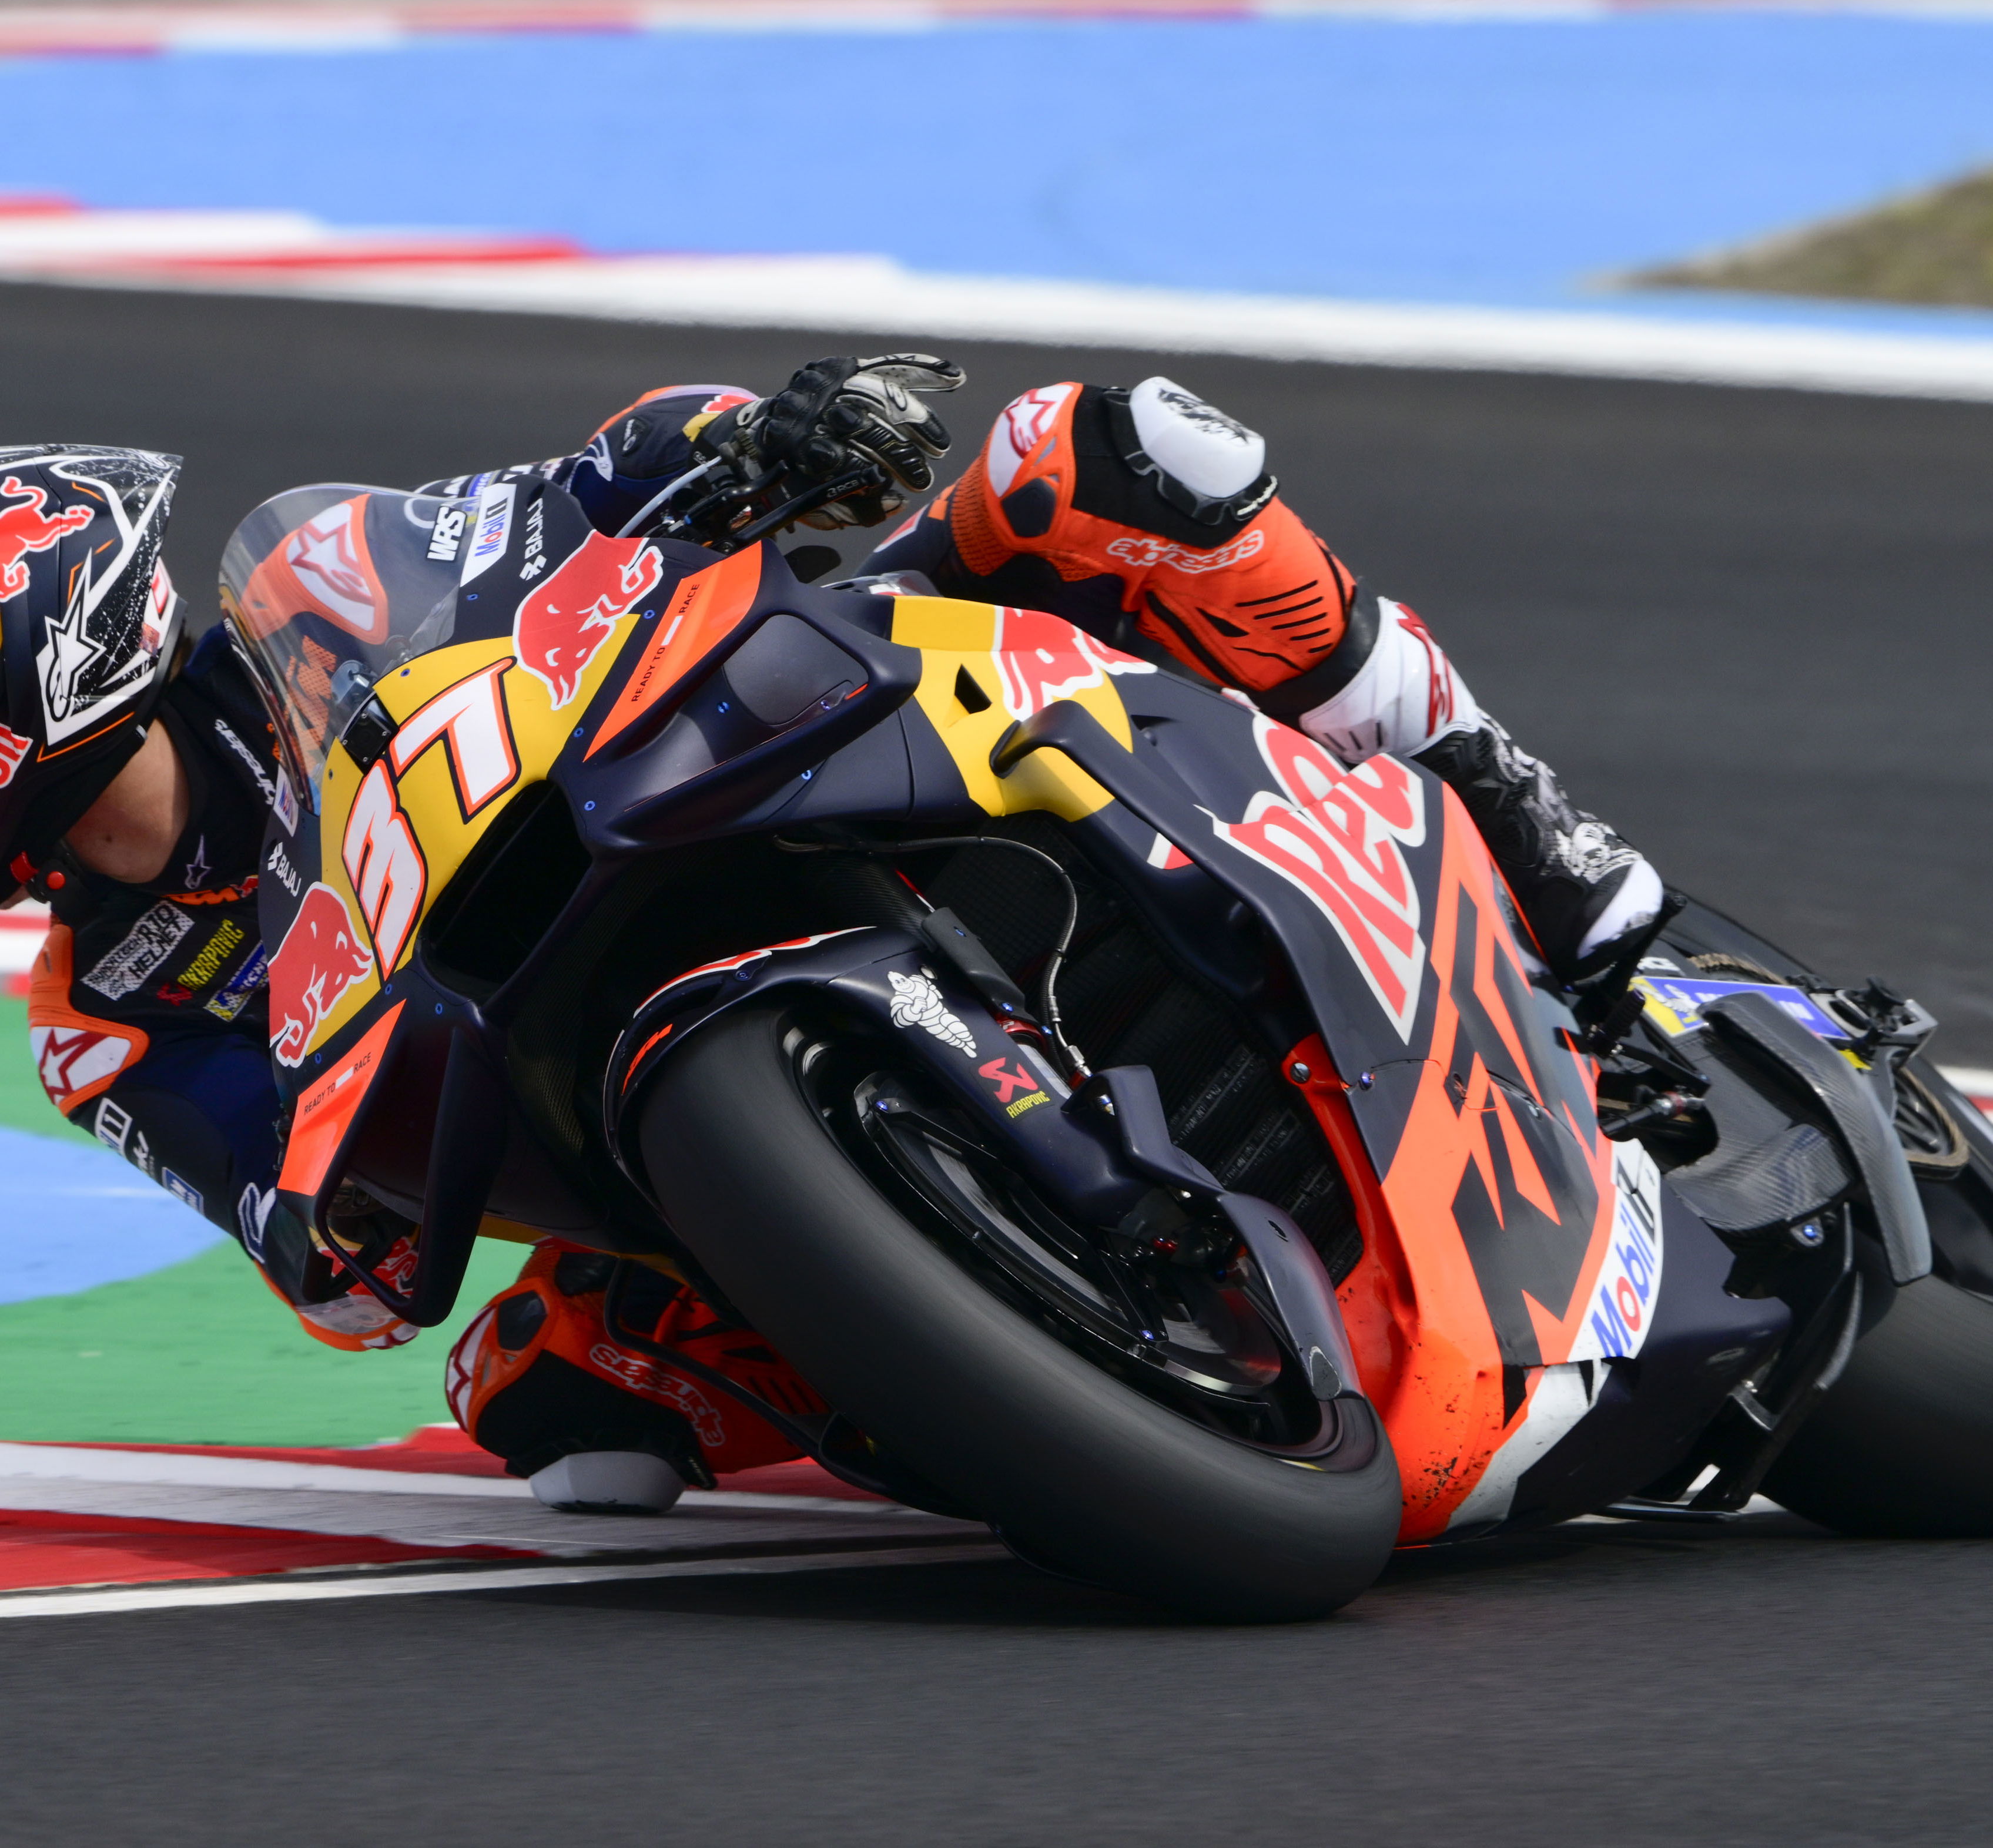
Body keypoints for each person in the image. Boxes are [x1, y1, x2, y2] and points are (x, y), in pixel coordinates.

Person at [4, 363, 1663, 1511]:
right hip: (586, 1094)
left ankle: (1521, 822)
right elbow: (332, 1273)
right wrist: (327, 1220)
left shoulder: (329, 588)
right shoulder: (99, 1019)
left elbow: (578, 492)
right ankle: (1053, 1368)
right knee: (559, 1408)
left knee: (1103, 457)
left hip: (724, 768)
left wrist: (772, 439)